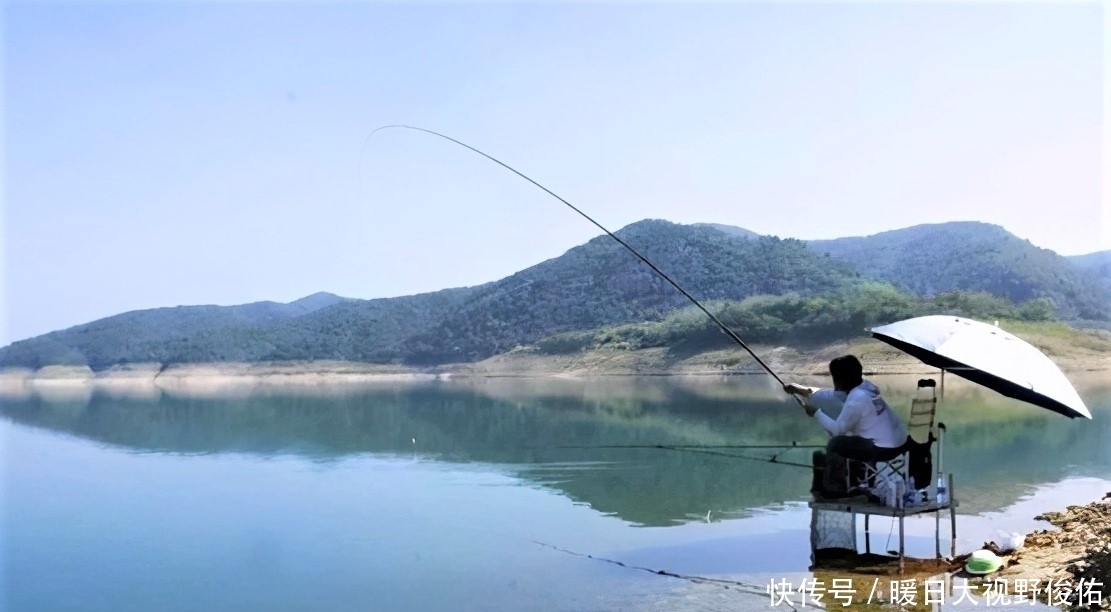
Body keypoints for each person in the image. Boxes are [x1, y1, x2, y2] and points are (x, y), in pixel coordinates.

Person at [783, 355, 909, 496]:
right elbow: (829, 395)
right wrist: (799, 390)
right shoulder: (866, 387)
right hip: (900, 442)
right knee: (854, 436)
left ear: (841, 379)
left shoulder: (857, 399)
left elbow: (837, 431)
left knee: (836, 444)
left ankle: (834, 489)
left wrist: (816, 413)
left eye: (834, 377)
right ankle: (859, 480)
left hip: (884, 449)